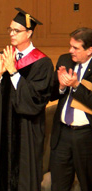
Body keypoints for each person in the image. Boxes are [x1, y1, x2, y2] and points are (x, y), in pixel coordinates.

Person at [0, 8, 53, 190]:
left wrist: (13, 72)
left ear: (29, 33)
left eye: (16, 31)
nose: (11, 34)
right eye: (9, 29)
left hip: (26, 133)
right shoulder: (0, 58)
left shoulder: (42, 63)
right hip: (0, 132)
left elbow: (36, 100)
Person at [50, 27, 92, 191]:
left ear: (89, 50)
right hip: (62, 135)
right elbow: (51, 95)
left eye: (75, 48)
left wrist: (75, 86)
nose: (70, 51)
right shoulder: (65, 60)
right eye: (70, 46)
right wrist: (60, 87)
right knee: (59, 185)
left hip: (86, 136)